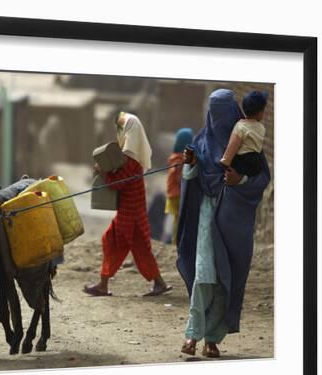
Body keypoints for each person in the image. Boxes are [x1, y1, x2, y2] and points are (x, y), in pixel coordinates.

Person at [177, 89, 270, 357]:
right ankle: (192, 335)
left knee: (223, 279)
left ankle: (212, 339)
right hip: (207, 216)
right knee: (205, 274)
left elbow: (262, 178)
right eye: (214, 112)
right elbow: (192, 176)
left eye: (223, 112)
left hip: (233, 221)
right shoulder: (202, 141)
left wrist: (239, 181)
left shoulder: (247, 139)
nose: (218, 119)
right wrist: (191, 164)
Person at [83, 111, 171, 297]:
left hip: (130, 215)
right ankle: (155, 283)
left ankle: (104, 284)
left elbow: (118, 183)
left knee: (123, 245)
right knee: (123, 245)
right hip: (131, 212)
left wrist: (103, 172)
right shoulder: (131, 156)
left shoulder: (131, 159)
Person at [220, 91, 269, 177]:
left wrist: (224, 161)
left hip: (242, 164)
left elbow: (232, 146)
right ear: (259, 113)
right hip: (256, 165)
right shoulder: (262, 128)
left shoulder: (240, 127)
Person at [165, 128, 193, 245]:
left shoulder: (174, 157)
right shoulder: (179, 159)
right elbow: (178, 177)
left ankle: (177, 241)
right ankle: (176, 242)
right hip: (178, 194)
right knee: (179, 220)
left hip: (174, 194)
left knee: (178, 219)